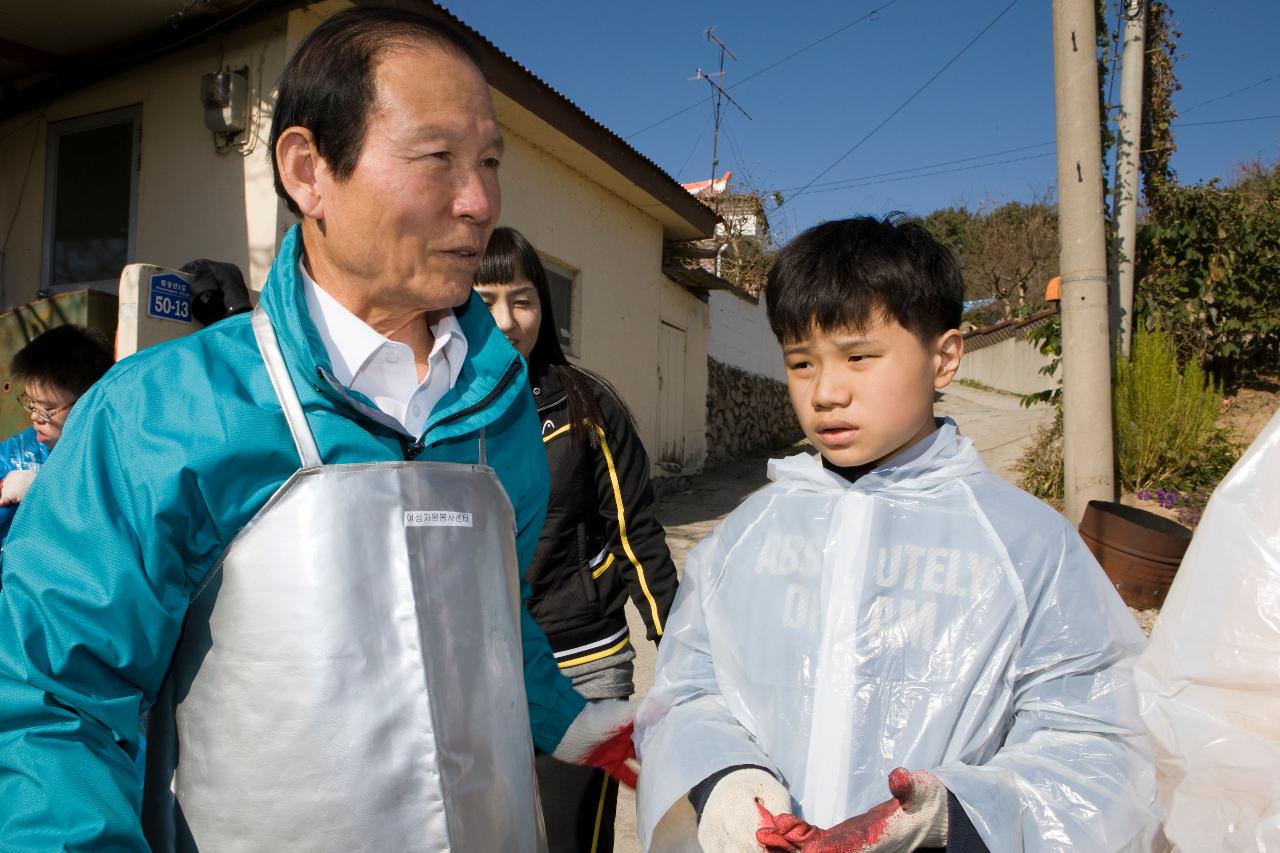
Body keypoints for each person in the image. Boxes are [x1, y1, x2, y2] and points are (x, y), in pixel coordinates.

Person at [0, 10, 634, 851]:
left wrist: (595, 727)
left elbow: (489, 630)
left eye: (488, 163)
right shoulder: (161, 412)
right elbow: (52, 706)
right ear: (309, 169)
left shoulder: (501, 408)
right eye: (437, 157)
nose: (479, 201)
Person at [634, 215, 1163, 852]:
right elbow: (688, 691)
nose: (826, 392)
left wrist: (954, 818)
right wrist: (725, 783)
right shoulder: (746, 537)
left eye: (859, 358)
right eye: (801, 364)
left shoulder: (1025, 545)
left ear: (944, 357)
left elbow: (1097, 740)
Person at [475, 226, 679, 853]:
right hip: (480, 672)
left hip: (581, 667)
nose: (506, 321)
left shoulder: (585, 406)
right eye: (483, 300)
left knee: (570, 842)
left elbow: (635, 532)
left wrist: (683, 651)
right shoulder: (437, 413)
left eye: (523, 300)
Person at [0, 325, 114, 542]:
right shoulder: (24, 450)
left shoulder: (115, 459)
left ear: (89, 404)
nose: (35, 416)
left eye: (47, 408)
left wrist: (41, 492)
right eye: (31, 403)